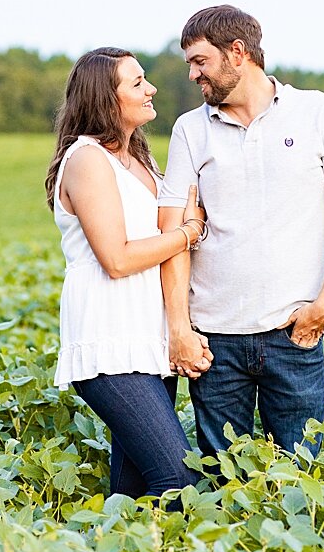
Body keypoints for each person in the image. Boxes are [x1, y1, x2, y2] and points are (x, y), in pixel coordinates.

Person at [157, 5, 324, 459]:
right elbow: (172, 230)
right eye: (190, 64)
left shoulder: (316, 111)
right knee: (222, 478)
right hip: (213, 342)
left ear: (237, 53)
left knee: (302, 476)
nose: (194, 75)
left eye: (201, 61)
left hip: (293, 332)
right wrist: (180, 328)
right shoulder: (190, 129)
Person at [45, 47, 208, 499]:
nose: (151, 87)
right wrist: (189, 232)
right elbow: (115, 259)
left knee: (134, 489)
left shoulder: (139, 159)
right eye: (137, 82)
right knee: (177, 480)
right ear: (105, 98)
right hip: (109, 340)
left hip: (148, 340)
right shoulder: (87, 160)